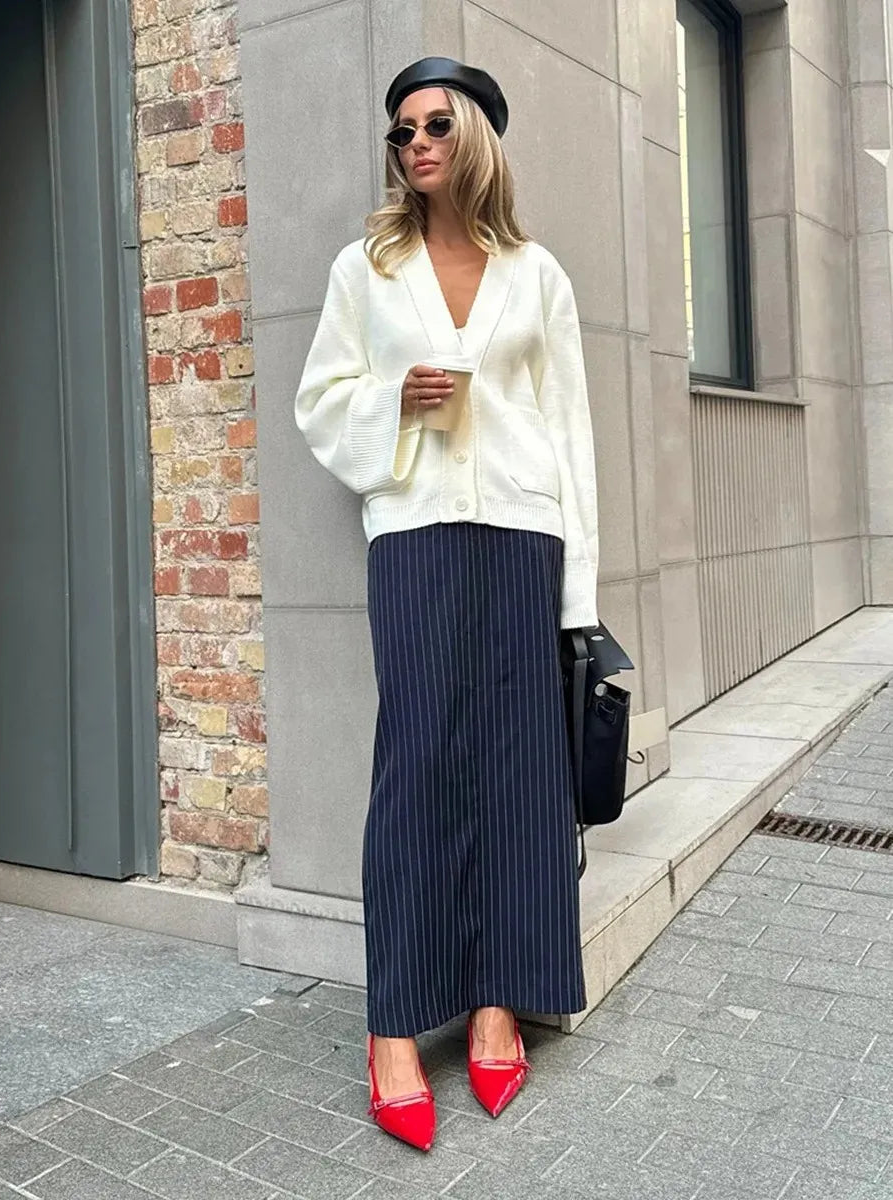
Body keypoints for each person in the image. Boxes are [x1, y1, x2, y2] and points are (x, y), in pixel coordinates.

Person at [294, 56, 600, 1153]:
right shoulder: (366, 269)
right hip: (416, 535)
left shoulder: (537, 274)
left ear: (474, 134)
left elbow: (569, 432)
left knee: (521, 768)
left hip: (522, 536)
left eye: (433, 124)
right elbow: (319, 401)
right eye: (401, 132)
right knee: (417, 763)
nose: (415, 144)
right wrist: (397, 400)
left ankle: (497, 1002)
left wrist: (578, 594)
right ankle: (393, 1024)